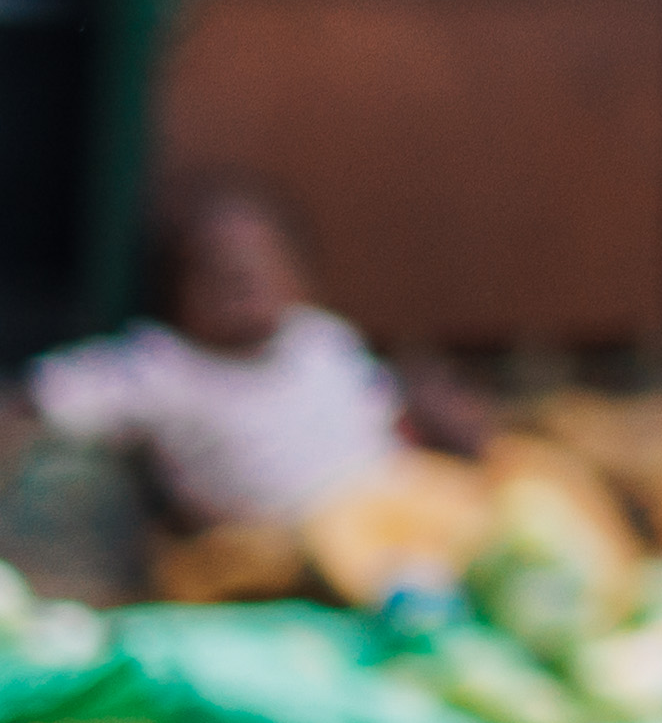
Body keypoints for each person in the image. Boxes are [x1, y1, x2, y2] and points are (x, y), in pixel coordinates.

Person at [30, 167, 421, 531]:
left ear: (302, 276)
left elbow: (388, 418)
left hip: (383, 527)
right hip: (260, 546)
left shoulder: (322, 339)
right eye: (216, 274)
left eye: (260, 268)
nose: (242, 286)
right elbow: (58, 394)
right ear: (170, 292)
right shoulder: (164, 366)